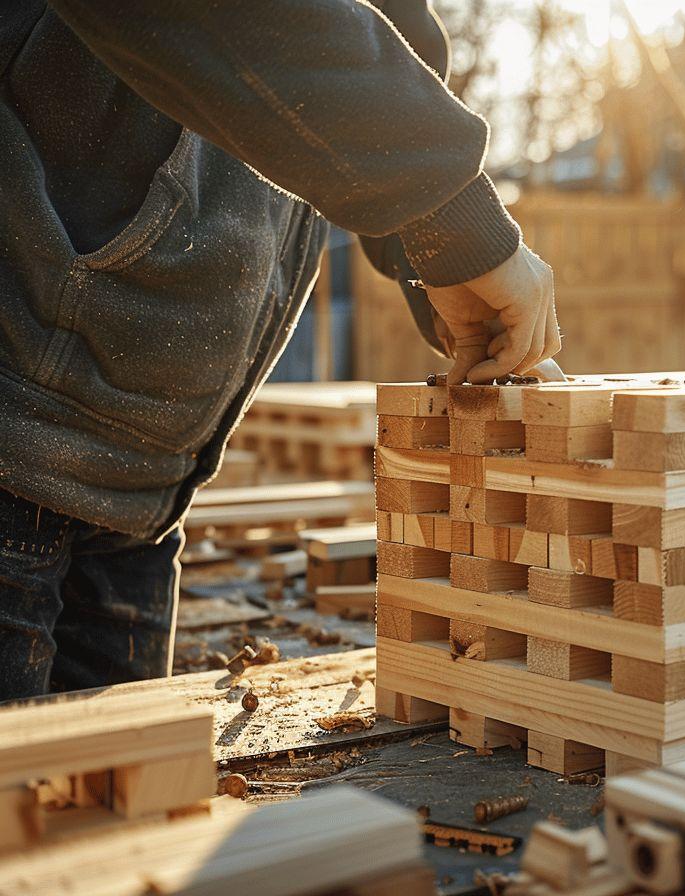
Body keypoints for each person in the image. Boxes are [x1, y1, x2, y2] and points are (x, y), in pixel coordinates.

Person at [0, 0, 560, 700]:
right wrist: (443, 202)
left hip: (146, 483)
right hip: (19, 417)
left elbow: (388, 33)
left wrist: (435, 242)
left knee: (112, 803)